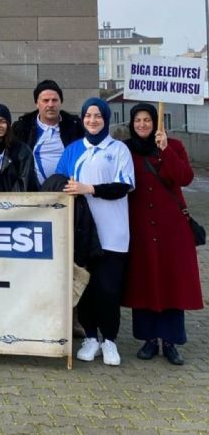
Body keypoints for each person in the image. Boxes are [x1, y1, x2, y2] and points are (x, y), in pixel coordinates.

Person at [55, 97, 134, 367]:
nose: (92, 120)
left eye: (98, 115)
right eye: (88, 115)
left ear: (106, 118)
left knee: (109, 290)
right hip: (83, 234)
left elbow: (123, 186)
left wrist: (89, 189)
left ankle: (109, 340)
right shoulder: (73, 149)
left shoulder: (119, 149)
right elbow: (60, 183)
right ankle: (90, 337)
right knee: (86, 289)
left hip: (113, 233)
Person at [121, 103, 203, 366]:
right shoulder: (126, 149)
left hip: (171, 228)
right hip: (140, 227)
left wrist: (165, 150)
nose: (142, 124)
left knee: (170, 282)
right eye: (138, 120)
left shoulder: (173, 146)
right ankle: (148, 339)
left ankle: (170, 341)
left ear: (157, 122)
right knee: (144, 281)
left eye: (147, 120)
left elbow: (184, 177)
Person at [12, 80, 84, 186]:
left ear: (61, 102)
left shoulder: (75, 127)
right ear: (37, 103)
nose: (50, 105)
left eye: (54, 100)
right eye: (45, 100)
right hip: (31, 191)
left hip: (67, 190)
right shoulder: (22, 128)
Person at [0, 103, 37, 192]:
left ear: (8, 124)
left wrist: (6, 200)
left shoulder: (22, 151)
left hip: (18, 200)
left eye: (2, 121)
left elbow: (24, 184)